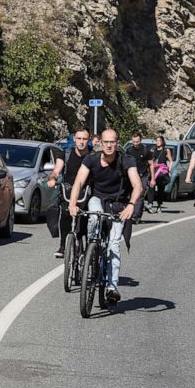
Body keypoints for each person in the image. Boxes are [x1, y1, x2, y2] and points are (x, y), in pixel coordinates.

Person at [69, 129, 143, 306]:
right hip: (97, 199)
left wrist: (131, 205)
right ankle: (92, 249)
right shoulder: (91, 159)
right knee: (93, 217)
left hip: (119, 203)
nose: (109, 145)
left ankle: (111, 287)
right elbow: (79, 181)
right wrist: (73, 204)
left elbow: (137, 186)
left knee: (113, 246)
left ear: (117, 143)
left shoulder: (126, 160)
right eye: (106, 142)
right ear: (100, 143)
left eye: (112, 142)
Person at [48, 126, 90, 258]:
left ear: (88, 140)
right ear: (74, 139)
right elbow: (56, 170)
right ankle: (63, 246)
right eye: (79, 138)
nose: (81, 141)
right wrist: (53, 178)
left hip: (87, 192)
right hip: (68, 190)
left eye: (84, 139)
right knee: (65, 215)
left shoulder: (93, 156)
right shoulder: (65, 154)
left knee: (86, 219)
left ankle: (86, 245)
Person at [124, 132, 153, 222]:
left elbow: (151, 164)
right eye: (134, 142)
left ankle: (136, 216)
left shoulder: (145, 150)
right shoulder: (128, 150)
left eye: (137, 142)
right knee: (130, 195)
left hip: (142, 176)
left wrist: (153, 179)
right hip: (131, 176)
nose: (135, 144)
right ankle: (130, 212)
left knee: (139, 195)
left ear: (140, 141)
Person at [150, 136, 173, 212]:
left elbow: (171, 161)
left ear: (162, 141)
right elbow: (150, 160)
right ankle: (150, 203)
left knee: (160, 189)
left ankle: (159, 205)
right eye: (156, 140)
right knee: (151, 186)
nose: (157, 142)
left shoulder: (166, 150)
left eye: (159, 140)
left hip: (162, 172)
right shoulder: (153, 150)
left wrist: (169, 169)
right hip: (154, 171)